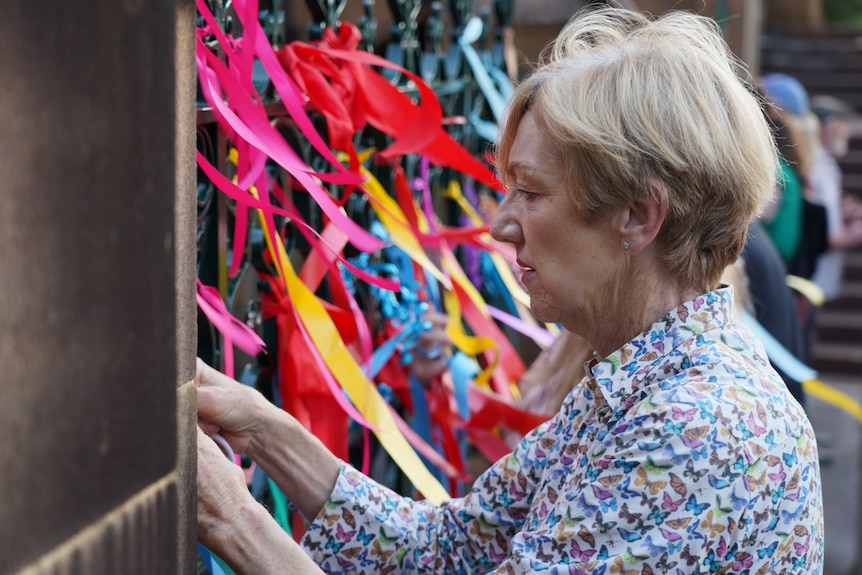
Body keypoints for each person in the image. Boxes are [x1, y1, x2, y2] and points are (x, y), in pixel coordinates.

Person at [197, 7, 823, 573]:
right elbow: (448, 550)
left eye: (530, 191)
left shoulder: (692, 428)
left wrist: (237, 521)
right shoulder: (642, 387)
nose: (500, 224)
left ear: (637, 215)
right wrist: (262, 429)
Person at [808, 95, 862, 301]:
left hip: (824, 274)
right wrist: (851, 237)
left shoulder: (828, 165)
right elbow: (812, 224)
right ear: (824, 128)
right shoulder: (812, 165)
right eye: (841, 125)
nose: (846, 131)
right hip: (813, 272)